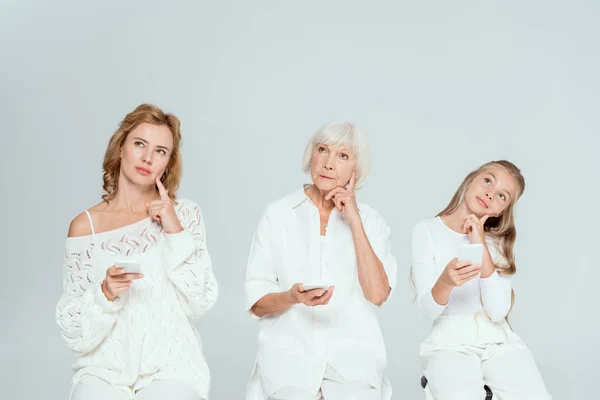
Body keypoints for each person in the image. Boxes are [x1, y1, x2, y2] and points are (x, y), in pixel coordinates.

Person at [56, 104, 218, 400]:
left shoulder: (185, 214)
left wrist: (174, 230)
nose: (147, 158)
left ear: (168, 163)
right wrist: (104, 292)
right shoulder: (84, 227)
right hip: (103, 371)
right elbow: (74, 331)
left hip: (172, 367)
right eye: (140, 144)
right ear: (121, 148)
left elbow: (202, 300)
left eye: (160, 151)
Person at [244, 122, 397, 400]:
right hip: (289, 356)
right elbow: (256, 302)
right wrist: (292, 297)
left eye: (343, 156)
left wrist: (354, 221)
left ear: (355, 170)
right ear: (310, 156)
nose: (328, 163)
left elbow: (377, 294)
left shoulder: (371, 222)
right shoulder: (278, 215)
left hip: (353, 359)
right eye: (322, 150)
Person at [411, 160, 551, 400]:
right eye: (487, 181)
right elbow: (428, 310)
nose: (489, 193)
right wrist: (445, 282)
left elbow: (497, 311)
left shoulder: (496, 243)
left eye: (502, 196)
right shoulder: (426, 230)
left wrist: (480, 244)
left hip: (496, 340)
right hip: (449, 341)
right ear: (471, 179)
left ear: (500, 211)